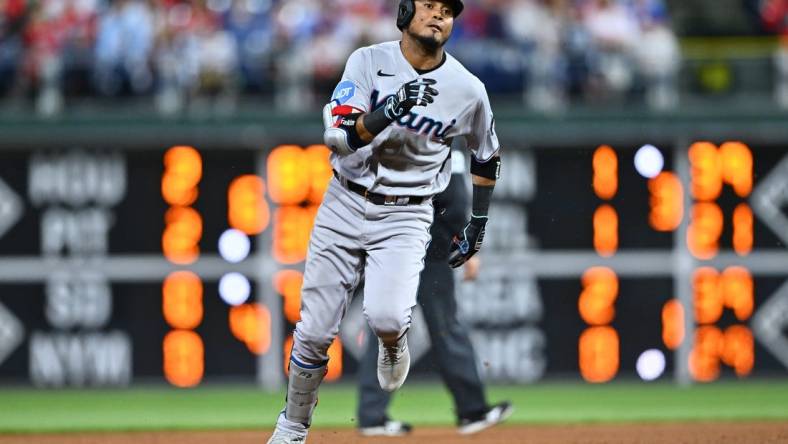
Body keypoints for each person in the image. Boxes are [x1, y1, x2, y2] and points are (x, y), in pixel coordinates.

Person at [267, 0, 502, 442]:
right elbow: (337, 137)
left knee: (389, 317)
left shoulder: (468, 88)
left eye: (448, 11)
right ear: (405, 12)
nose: (439, 15)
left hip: (408, 212)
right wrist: (388, 110)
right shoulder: (368, 61)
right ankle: (292, 427)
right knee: (315, 330)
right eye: (429, 5)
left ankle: (394, 344)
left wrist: (478, 223)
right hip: (345, 201)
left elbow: (487, 157)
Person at [356, 153, 513, 437]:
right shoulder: (441, 148)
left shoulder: (397, 147)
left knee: (387, 329)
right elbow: (454, 205)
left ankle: (372, 415)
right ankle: (471, 410)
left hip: (399, 251)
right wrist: (464, 241)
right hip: (428, 255)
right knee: (444, 329)